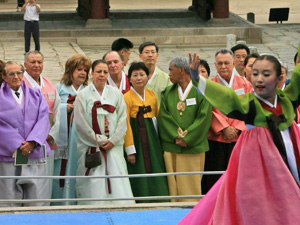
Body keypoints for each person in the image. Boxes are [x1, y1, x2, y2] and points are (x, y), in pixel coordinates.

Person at [180, 54, 300, 225]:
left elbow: (298, 78)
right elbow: (227, 97)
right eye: (255, 73)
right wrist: (197, 78)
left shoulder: (288, 100)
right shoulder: (249, 105)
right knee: (260, 206)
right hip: (260, 165)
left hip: (293, 155)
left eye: (266, 74)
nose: (259, 79)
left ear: (280, 78)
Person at [74, 59, 134, 205]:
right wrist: (99, 140)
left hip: (113, 146)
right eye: (99, 72)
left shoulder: (116, 94)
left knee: (116, 178)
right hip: (92, 146)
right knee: (94, 182)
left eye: (105, 72)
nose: (102, 75)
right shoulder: (83, 95)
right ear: (92, 74)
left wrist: (113, 140)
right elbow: (81, 123)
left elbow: (122, 119)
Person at [158, 57, 212, 202]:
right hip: (172, 145)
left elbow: (204, 117)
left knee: (191, 186)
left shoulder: (201, 91)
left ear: (181, 70)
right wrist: (177, 136)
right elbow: (164, 117)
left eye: (171, 70)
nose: (169, 74)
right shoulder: (167, 92)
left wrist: (187, 138)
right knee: (173, 187)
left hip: (193, 146)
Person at [200, 49, 253, 194]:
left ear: (234, 63)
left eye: (227, 63)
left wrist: (236, 126)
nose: (223, 66)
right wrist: (223, 127)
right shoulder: (210, 85)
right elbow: (207, 110)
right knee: (216, 177)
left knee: (239, 175)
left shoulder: (245, 84)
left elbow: (249, 108)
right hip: (217, 138)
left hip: (239, 137)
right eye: (220, 63)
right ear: (215, 65)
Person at [0, 61, 51, 207]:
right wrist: (19, 145)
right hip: (9, 155)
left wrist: (33, 142)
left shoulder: (36, 94)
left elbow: (44, 118)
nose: (16, 76)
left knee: (37, 199)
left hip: (34, 153)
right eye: (11, 74)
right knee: (8, 200)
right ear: (4, 77)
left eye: (19, 73)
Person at [124, 62, 169, 203]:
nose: (139, 78)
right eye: (135, 75)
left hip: (152, 136)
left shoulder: (152, 95)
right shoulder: (126, 97)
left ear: (148, 77)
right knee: (139, 167)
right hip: (136, 136)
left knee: (156, 164)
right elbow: (126, 124)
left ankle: (159, 196)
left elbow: (158, 117)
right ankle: (141, 197)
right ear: (129, 78)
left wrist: (160, 140)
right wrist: (130, 149)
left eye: (142, 74)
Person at [52, 54, 92, 205]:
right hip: (64, 137)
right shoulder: (59, 89)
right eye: (79, 69)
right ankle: (59, 201)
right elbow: (53, 109)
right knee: (60, 167)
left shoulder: (89, 90)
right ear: (70, 71)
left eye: (85, 70)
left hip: (80, 137)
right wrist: (65, 108)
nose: (83, 73)